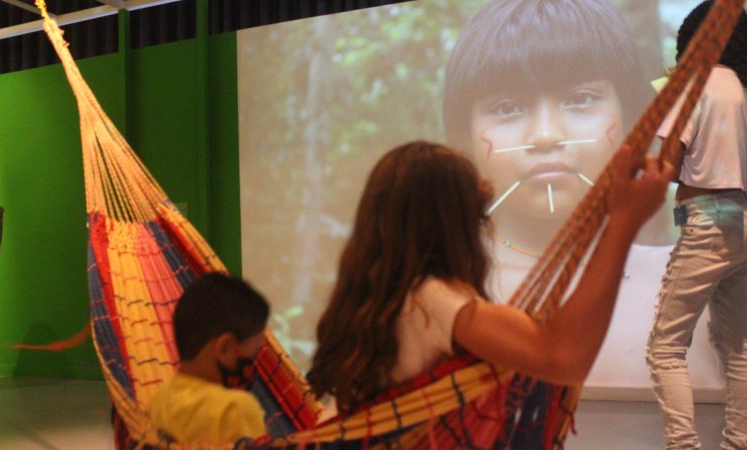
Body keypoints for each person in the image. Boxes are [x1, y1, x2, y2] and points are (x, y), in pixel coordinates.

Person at [440, 0, 722, 392]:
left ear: (630, 119)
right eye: (507, 107)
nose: (545, 135)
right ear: (463, 136)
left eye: (581, 98)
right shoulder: (424, 294)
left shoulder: (706, 290)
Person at [306, 140, 672, 414]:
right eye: (478, 214)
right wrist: (624, 222)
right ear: (455, 223)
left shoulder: (381, 299)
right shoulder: (432, 299)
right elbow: (562, 356)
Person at [645, 2, 747, 448]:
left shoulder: (693, 84)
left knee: (664, 347)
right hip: (743, 223)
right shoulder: (741, 86)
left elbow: (668, 167)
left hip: (707, 220)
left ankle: (683, 446)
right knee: (740, 346)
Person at [148, 272, 269, 445]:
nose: (253, 363)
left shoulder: (160, 399)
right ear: (225, 348)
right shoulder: (235, 408)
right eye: (254, 353)